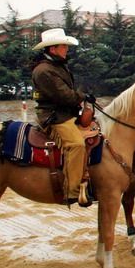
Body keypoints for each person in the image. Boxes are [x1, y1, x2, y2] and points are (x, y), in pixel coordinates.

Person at [31, 28, 94, 205]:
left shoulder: (57, 66)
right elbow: (64, 96)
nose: (67, 49)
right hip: (54, 117)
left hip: (65, 113)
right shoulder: (44, 71)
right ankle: (72, 191)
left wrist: (81, 97)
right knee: (76, 144)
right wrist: (82, 96)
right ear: (53, 49)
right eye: (63, 46)